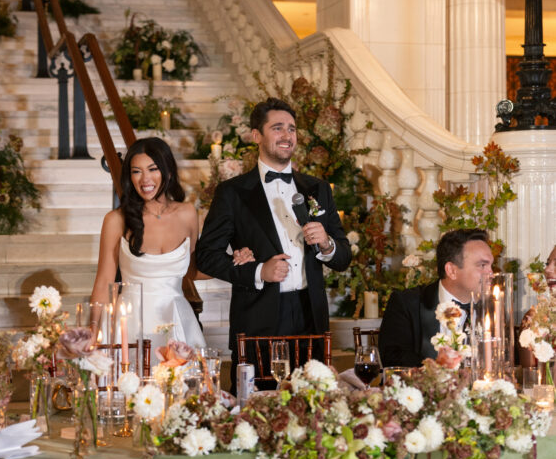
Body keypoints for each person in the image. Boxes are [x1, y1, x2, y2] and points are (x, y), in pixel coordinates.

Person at [195, 97, 351, 391]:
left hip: (310, 317)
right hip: (259, 317)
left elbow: (343, 257)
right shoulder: (232, 193)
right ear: (257, 135)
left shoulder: (317, 188)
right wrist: (257, 272)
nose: (287, 135)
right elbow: (206, 256)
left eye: (291, 129)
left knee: (313, 407)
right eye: (277, 128)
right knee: (258, 411)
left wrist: (327, 244)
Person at [90, 138, 252, 366]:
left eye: (153, 169)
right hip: (131, 322)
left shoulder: (187, 213)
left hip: (176, 318)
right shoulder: (116, 220)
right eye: (136, 171)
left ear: (166, 171)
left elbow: (194, 270)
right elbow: (104, 280)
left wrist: (233, 261)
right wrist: (93, 329)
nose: (145, 179)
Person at [379, 228, 494, 368]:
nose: (491, 273)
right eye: (482, 265)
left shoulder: (491, 309)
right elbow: (392, 359)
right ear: (451, 270)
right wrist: (437, 372)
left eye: (491, 265)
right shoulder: (407, 304)